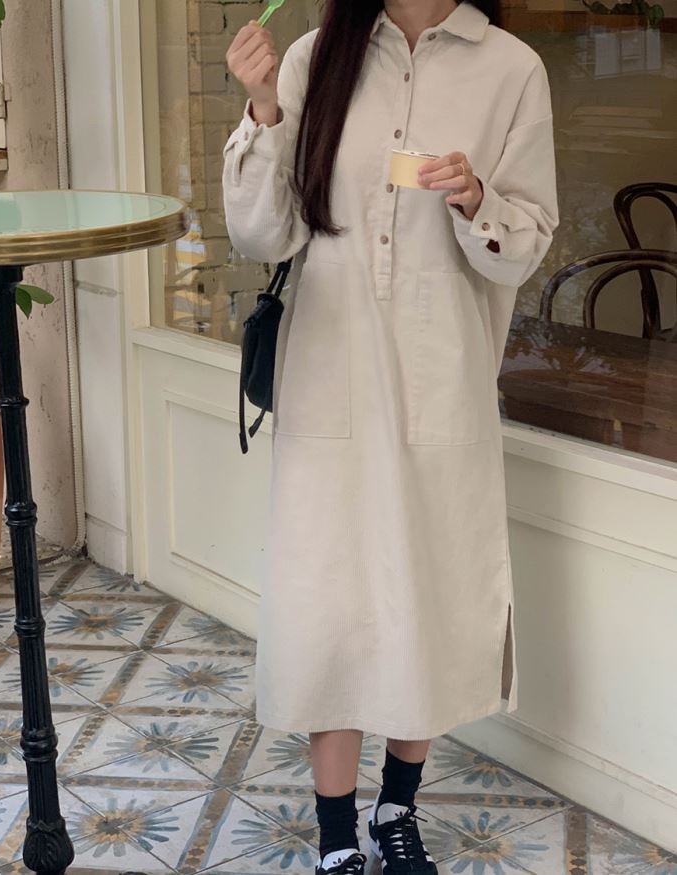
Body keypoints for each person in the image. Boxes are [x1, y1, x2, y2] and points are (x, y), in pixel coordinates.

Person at [223, 1, 559, 872]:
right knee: (327, 603)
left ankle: (395, 810)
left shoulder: (511, 68)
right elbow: (263, 233)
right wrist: (263, 107)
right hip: (329, 378)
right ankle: (337, 833)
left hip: (441, 379)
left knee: (430, 596)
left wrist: (478, 199)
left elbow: (524, 245)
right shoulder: (315, 56)